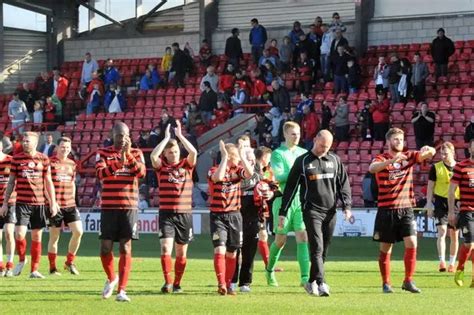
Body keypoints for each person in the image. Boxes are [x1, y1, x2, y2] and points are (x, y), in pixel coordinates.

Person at [279, 130, 351, 296]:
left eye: (327, 147)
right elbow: (290, 188)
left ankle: (310, 281)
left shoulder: (335, 160)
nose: (323, 150)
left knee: (323, 249)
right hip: (312, 211)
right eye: (321, 146)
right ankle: (321, 283)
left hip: (331, 211)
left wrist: (347, 206)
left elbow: (343, 185)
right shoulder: (302, 161)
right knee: (317, 248)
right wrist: (284, 211)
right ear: (314, 140)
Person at [369, 127, 436, 293]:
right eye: (396, 139)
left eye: (401, 139)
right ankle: (386, 283)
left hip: (405, 208)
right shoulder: (381, 158)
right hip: (386, 209)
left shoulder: (409, 156)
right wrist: (391, 161)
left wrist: (429, 150)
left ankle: (408, 280)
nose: (399, 142)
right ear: (389, 141)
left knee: (412, 242)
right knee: (386, 248)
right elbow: (372, 168)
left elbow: (429, 153)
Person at [96, 122, 146, 302]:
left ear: (129, 136)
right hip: (109, 207)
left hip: (129, 206)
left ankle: (122, 290)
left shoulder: (137, 153)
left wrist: (128, 156)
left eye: (124, 135)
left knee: (126, 246)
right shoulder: (103, 152)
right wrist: (119, 162)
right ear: (112, 135)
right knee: (105, 248)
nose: (121, 138)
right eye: (118, 135)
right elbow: (100, 174)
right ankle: (111, 277)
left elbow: (141, 173)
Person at [0, 132, 60, 278]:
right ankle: (21, 259)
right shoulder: (17, 159)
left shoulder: (44, 158)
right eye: (23, 140)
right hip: (21, 203)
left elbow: (48, 182)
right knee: (19, 234)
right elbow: (11, 182)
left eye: (27, 141)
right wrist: (6, 202)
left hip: (39, 203)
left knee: (36, 237)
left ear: (35, 142)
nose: (25, 143)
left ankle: (34, 270)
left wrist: (53, 202)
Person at [150, 120, 197, 293]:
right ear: (166, 153)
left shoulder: (186, 165)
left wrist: (179, 136)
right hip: (166, 214)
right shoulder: (162, 167)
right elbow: (153, 157)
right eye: (170, 152)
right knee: (165, 248)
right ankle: (168, 282)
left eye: (176, 151)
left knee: (181, 253)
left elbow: (193, 152)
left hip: (184, 214)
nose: (174, 154)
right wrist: (166, 138)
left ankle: (177, 283)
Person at [265, 122, 309, 287]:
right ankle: (269, 271)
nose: (296, 136)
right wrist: (298, 170)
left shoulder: (304, 153)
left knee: (303, 236)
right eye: (292, 134)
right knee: (281, 240)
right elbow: (279, 176)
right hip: (284, 201)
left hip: (300, 200)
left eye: (298, 133)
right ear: (285, 135)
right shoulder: (277, 154)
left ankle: (305, 278)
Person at [208, 140, 254, 295]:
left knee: (232, 252)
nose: (237, 159)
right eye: (234, 156)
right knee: (219, 250)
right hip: (218, 215)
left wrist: (242, 155)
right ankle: (221, 284)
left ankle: (228, 284)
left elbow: (250, 173)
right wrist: (224, 158)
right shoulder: (214, 169)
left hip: (235, 215)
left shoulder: (238, 170)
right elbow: (218, 178)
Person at [231, 136, 271, 293]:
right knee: (235, 248)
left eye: (252, 159)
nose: (251, 162)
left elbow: (269, 187)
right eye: (247, 159)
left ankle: (245, 282)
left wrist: (269, 193)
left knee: (250, 248)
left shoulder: (257, 173)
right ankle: (232, 279)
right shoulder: (236, 173)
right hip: (235, 213)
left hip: (253, 215)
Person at [46, 137, 83, 276]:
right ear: (57, 147)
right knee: (54, 237)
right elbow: (46, 185)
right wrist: (51, 202)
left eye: (67, 147)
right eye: (62, 147)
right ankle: (52, 268)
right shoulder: (50, 162)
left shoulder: (72, 164)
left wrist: (74, 200)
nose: (65, 149)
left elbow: (73, 183)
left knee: (79, 232)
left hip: (70, 204)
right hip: (55, 205)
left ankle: (69, 262)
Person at [425, 142, 459, 273]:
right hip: (440, 202)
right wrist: (429, 203)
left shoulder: (460, 167)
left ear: (453, 153)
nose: (443, 156)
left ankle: (452, 263)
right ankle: (442, 262)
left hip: (456, 202)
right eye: (441, 153)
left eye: (446, 153)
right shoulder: (436, 167)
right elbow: (430, 186)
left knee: (454, 235)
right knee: (442, 232)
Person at [449, 138, 474, 287]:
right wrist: (451, 212)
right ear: (470, 149)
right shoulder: (461, 167)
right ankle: (460, 269)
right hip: (467, 211)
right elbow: (451, 190)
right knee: (470, 243)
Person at [0, 140, 16, 277]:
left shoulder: (11, 161)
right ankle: (1, 266)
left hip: (10, 202)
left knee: (9, 233)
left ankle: (10, 264)